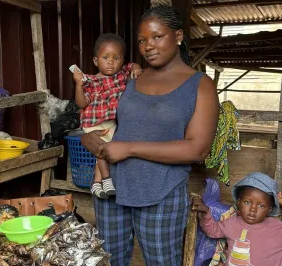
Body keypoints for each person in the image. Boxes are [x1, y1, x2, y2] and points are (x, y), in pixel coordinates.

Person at [80, 5, 219, 265]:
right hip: (112, 190)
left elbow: (198, 149)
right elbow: (107, 120)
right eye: (143, 40)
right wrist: (89, 138)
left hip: (160, 193)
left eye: (157, 37)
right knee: (108, 260)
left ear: (178, 36)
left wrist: (130, 148)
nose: (148, 46)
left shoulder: (200, 85)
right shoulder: (132, 79)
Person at [73, 33, 142, 199]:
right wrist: (78, 84)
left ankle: (97, 184)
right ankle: (106, 179)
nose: (111, 61)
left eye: (116, 58)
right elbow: (81, 104)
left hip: (111, 123)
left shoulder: (122, 75)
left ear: (122, 61)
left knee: (107, 150)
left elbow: (133, 66)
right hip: (94, 122)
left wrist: (136, 67)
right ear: (96, 61)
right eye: (105, 57)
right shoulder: (90, 81)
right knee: (102, 150)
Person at [192, 172, 282, 265]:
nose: (253, 209)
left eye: (261, 205)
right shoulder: (232, 223)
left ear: (269, 209)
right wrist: (206, 212)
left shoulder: (277, 227)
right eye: (247, 202)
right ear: (238, 203)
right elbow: (213, 230)